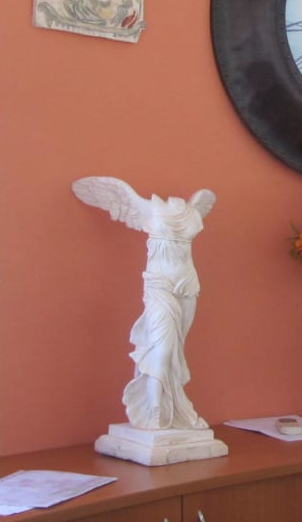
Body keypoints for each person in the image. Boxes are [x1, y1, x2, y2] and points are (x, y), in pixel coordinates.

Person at [72, 176, 216, 430]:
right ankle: (153, 411)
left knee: (177, 350)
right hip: (159, 286)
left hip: (188, 286)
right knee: (162, 349)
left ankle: (176, 408)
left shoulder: (192, 210)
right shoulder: (148, 208)